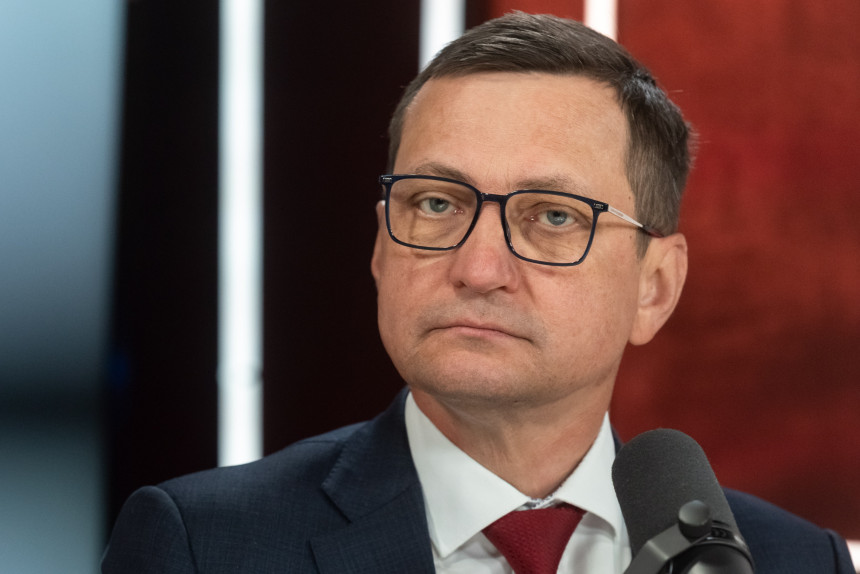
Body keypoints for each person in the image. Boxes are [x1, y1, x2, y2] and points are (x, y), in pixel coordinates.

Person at [102, 12, 855, 574]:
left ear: (654, 288)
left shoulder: (794, 562)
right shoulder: (203, 545)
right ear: (380, 247)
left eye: (553, 216)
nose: (478, 267)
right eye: (436, 203)